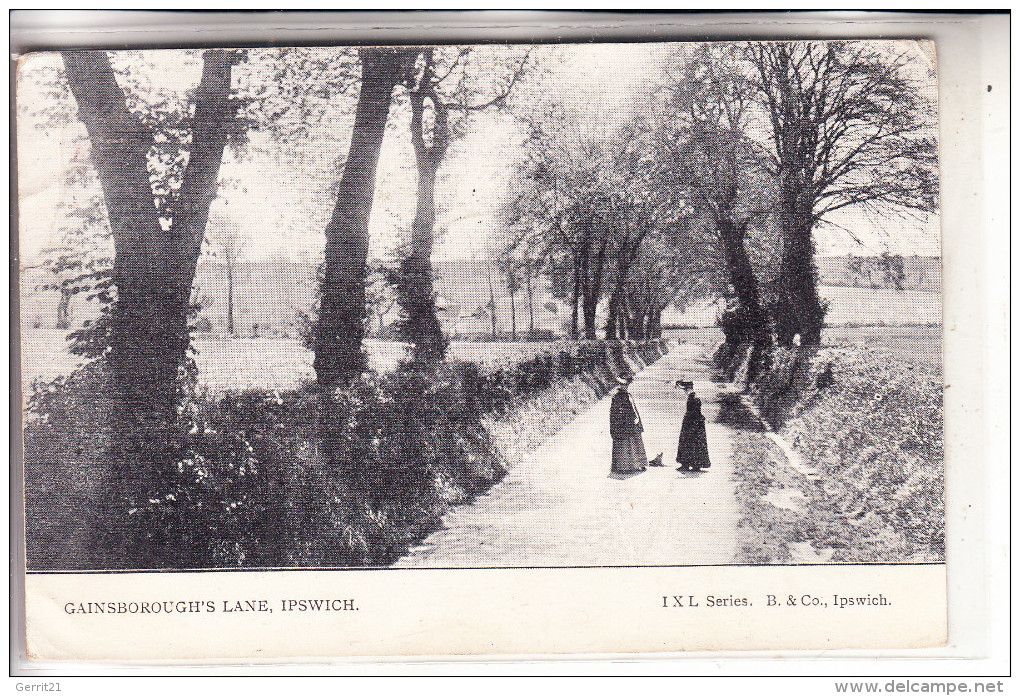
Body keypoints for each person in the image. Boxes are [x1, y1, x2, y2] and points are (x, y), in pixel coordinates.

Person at [609, 378, 648, 474]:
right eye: (622, 385)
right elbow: (614, 413)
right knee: (624, 443)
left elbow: (634, 410)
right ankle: (624, 466)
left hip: (631, 423)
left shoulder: (628, 396)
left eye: (626, 385)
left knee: (635, 442)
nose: (624, 387)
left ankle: (638, 464)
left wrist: (636, 421)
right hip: (622, 424)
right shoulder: (617, 397)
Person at [676, 391, 711, 471]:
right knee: (696, 443)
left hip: (691, 421)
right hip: (695, 421)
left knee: (687, 442)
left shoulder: (690, 413)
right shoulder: (699, 417)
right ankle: (695, 464)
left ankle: (687, 463)